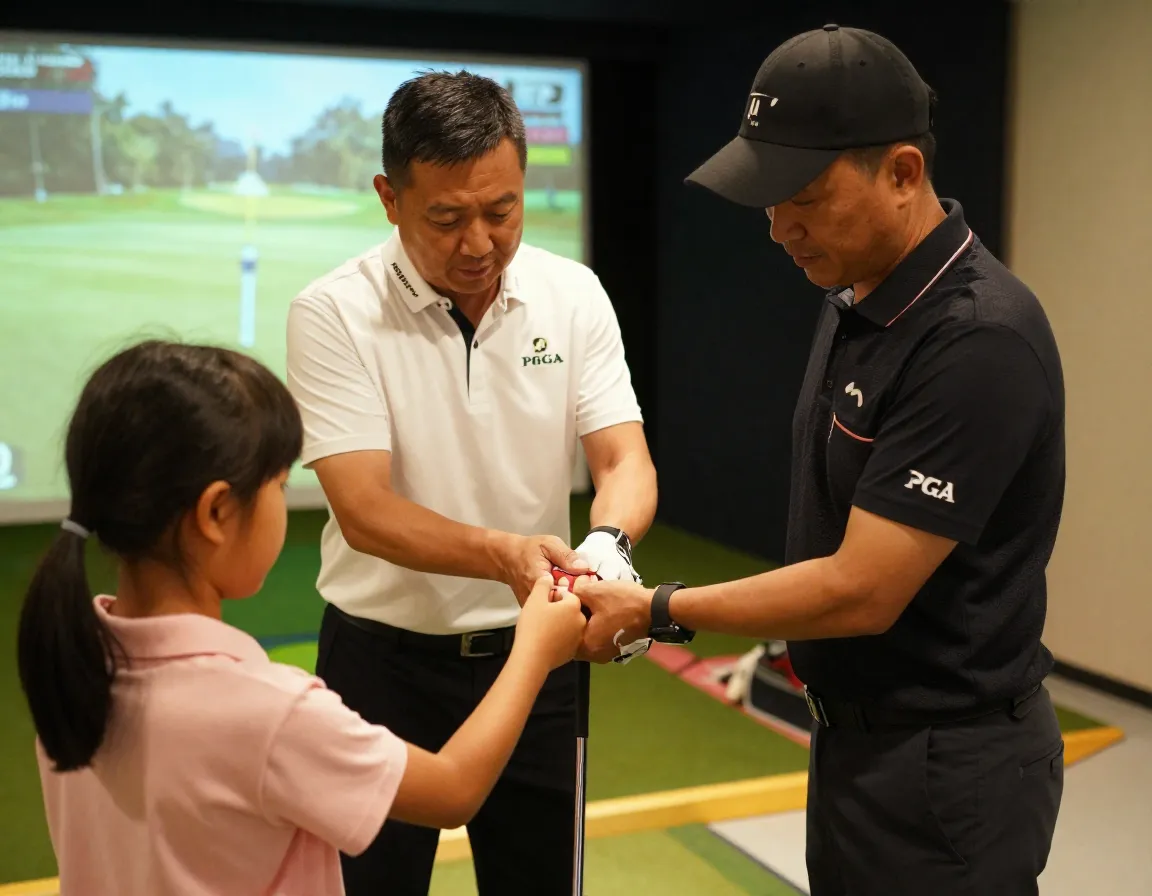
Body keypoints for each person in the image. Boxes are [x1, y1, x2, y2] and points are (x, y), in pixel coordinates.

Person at [574, 24, 1065, 896]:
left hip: (950, 770)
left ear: (903, 173)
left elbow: (862, 589)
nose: (777, 228)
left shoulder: (977, 341)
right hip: (855, 745)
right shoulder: (854, 292)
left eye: (802, 193)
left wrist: (656, 607)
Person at [17, 340, 588, 896]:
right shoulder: (269, 711)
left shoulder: (72, 666)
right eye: (280, 485)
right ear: (216, 512)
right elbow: (451, 790)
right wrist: (534, 649)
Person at [285, 70, 657, 895]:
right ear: (389, 197)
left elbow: (623, 460)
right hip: (379, 666)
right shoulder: (332, 311)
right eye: (447, 218)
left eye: (503, 211)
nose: (480, 243)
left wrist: (604, 547)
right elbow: (366, 511)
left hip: (536, 660)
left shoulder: (574, 293)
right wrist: (508, 556)